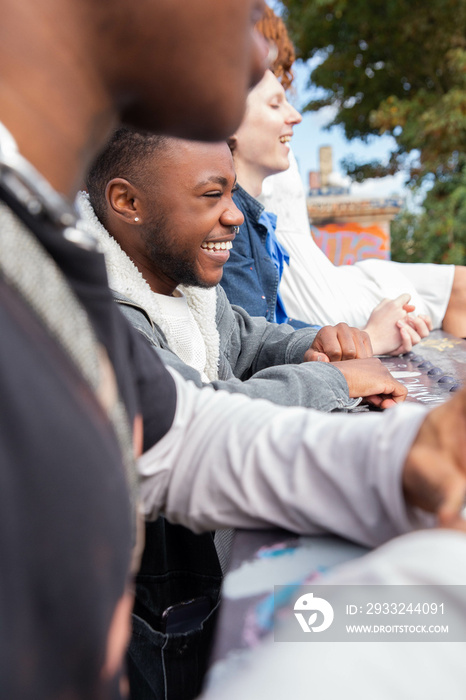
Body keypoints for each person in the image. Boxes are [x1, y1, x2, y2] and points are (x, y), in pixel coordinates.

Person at [3, 2, 466, 700]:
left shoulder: (47, 248)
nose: (261, 44)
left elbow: (175, 432)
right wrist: (433, 594)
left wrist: (397, 460)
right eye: (246, 4)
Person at [79, 129, 407, 412]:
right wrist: (334, 380)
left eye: (231, 193)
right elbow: (190, 409)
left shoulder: (190, 289)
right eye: (211, 195)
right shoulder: (97, 317)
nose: (236, 216)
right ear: (127, 201)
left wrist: (317, 346)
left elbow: (251, 345)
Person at [257, 8, 466, 338]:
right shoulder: (239, 124)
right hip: (301, 289)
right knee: (454, 293)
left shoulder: (266, 120)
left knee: (457, 286)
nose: (294, 115)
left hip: (316, 271)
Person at [222, 68, 432, 355]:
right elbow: (250, 350)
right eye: (275, 104)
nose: (295, 116)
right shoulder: (230, 221)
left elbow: (271, 327)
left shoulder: (254, 220)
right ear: (228, 120)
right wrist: (368, 340)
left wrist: (361, 339)